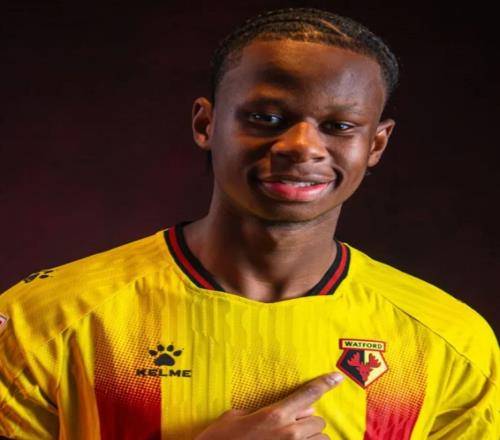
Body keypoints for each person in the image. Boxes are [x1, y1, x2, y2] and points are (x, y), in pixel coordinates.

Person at [0, 7, 498, 440]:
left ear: (376, 144)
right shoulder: (44, 320)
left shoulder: (451, 341)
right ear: (206, 124)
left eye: (339, 126)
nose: (302, 146)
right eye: (266, 118)